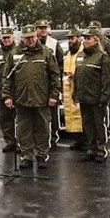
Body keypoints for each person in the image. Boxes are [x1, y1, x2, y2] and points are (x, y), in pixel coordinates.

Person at [3, 25, 60, 169]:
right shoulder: (14, 54)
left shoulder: (46, 53)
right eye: (27, 38)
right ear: (22, 38)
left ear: (36, 36)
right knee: (24, 129)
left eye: (32, 37)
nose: (30, 40)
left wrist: (54, 95)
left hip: (42, 99)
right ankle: (26, 155)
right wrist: (7, 96)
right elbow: (7, 77)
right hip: (22, 99)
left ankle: (41, 155)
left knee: (43, 128)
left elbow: (55, 76)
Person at [73, 30, 110, 163]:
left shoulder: (102, 57)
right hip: (84, 98)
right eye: (84, 38)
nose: (85, 41)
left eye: (89, 38)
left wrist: (104, 97)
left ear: (96, 40)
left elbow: (106, 80)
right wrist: (75, 93)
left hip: (97, 98)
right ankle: (91, 149)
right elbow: (77, 76)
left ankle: (101, 150)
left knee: (99, 125)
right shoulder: (80, 56)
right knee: (87, 124)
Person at [35, 19, 64, 147]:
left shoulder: (54, 43)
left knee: (52, 114)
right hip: (37, 85)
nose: (43, 30)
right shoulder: (32, 42)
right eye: (40, 28)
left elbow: (60, 64)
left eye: (45, 28)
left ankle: (53, 138)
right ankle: (40, 138)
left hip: (51, 84)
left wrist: (57, 85)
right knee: (39, 115)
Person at [0, 27, 18, 152]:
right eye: (4, 38)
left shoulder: (19, 51)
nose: (6, 40)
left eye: (8, 37)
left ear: (13, 37)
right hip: (2, 91)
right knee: (5, 119)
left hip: (18, 91)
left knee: (20, 120)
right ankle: (10, 141)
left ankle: (22, 143)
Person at [62, 29, 86, 150]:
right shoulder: (68, 53)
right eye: (69, 38)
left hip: (80, 87)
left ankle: (86, 140)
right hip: (69, 87)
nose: (70, 41)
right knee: (73, 116)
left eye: (72, 38)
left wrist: (74, 75)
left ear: (79, 38)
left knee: (82, 115)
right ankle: (78, 139)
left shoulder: (83, 52)